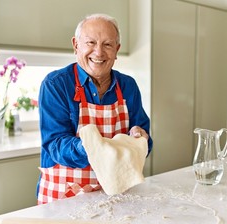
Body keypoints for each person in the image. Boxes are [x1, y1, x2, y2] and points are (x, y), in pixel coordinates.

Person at [37, 14, 153, 204]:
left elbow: (146, 142)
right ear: (76, 45)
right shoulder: (56, 84)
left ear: (117, 50)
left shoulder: (128, 86)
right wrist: (92, 147)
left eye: (107, 44)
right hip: (65, 195)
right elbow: (55, 144)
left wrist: (141, 138)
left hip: (118, 193)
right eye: (90, 42)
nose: (98, 53)